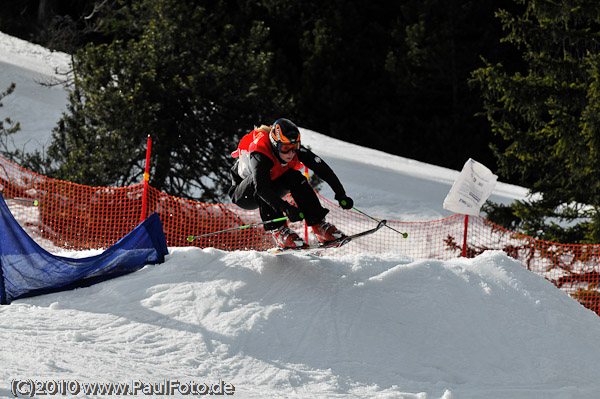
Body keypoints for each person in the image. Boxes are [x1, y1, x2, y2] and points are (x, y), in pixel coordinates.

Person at [228, 118, 354, 248]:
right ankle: (279, 231)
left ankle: (318, 226)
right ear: (275, 144)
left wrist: (341, 194)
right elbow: (261, 189)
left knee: (295, 177)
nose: (291, 153)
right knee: (263, 182)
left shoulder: (293, 148)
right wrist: (286, 208)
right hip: (244, 194)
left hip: (268, 184)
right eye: (286, 148)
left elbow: (323, 170)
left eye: (294, 148)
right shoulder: (260, 154)